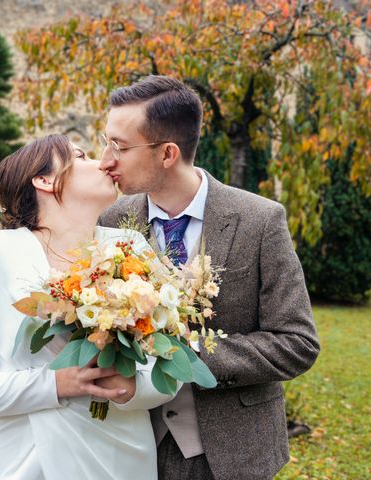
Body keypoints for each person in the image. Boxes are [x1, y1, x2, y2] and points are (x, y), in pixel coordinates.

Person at [98, 75, 320, 480]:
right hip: (134, 447)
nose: (105, 160)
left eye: (120, 147)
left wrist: (187, 357)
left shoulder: (260, 220)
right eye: (106, 141)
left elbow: (297, 343)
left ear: (167, 153)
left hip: (232, 454)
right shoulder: (112, 221)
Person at [0, 134, 174, 480]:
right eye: (81, 156)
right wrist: (54, 385)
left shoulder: (131, 248)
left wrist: (131, 388)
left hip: (123, 458)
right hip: (27, 462)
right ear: (44, 180)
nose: (103, 162)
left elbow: (173, 366)